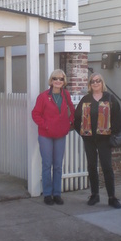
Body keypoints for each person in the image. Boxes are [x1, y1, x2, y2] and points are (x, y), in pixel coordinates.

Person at [74, 72, 121, 209]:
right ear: (90, 85)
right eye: (93, 81)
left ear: (102, 83)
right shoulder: (85, 100)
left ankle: (112, 197)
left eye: (98, 81)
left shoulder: (110, 99)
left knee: (107, 167)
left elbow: (118, 119)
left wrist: (112, 133)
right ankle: (94, 194)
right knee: (91, 166)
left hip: (105, 140)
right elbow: (77, 119)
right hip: (89, 139)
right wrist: (82, 133)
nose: (95, 83)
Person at [32, 69, 75, 205]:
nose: (58, 81)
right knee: (47, 164)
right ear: (51, 80)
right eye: (55, 78)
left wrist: (68, 124)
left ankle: (57, 193)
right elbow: (35, 114)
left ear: (64, 81)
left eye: (61, 79)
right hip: (46, 135)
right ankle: (47, 194)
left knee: (57, 166)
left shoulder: (66, 95)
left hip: (60, 135)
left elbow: (72, 111)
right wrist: (46, 126)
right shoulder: (43, 96)